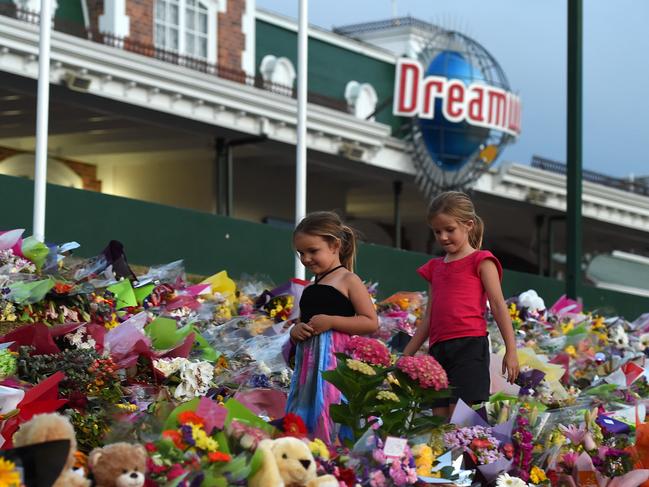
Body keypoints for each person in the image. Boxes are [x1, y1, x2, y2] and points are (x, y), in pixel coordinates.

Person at [403, 191, 519, 417]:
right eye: (437, 231)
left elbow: (497, 305)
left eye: (449, 230)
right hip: (438, 350)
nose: (443, 237)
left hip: (469, 347)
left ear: (469, 225)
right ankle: (441, 454)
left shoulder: (482, 260)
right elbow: (430, 316)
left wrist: (511, 350)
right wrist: (406, 355)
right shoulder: (435, 267)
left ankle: (469, 453)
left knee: (463, 418)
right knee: (438, 420)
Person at [285, 211, 378, 443]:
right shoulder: (309, 288)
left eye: (313, 251)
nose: (306, 258)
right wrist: (294, 332)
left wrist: (332, 321)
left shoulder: (348, 280)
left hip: (335, 364)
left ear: (335, 246)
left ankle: (334, 452)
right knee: (306, 408)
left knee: (330, 408)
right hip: (309, 366)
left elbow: (370, 321)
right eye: (301, 253)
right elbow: (302, 323)